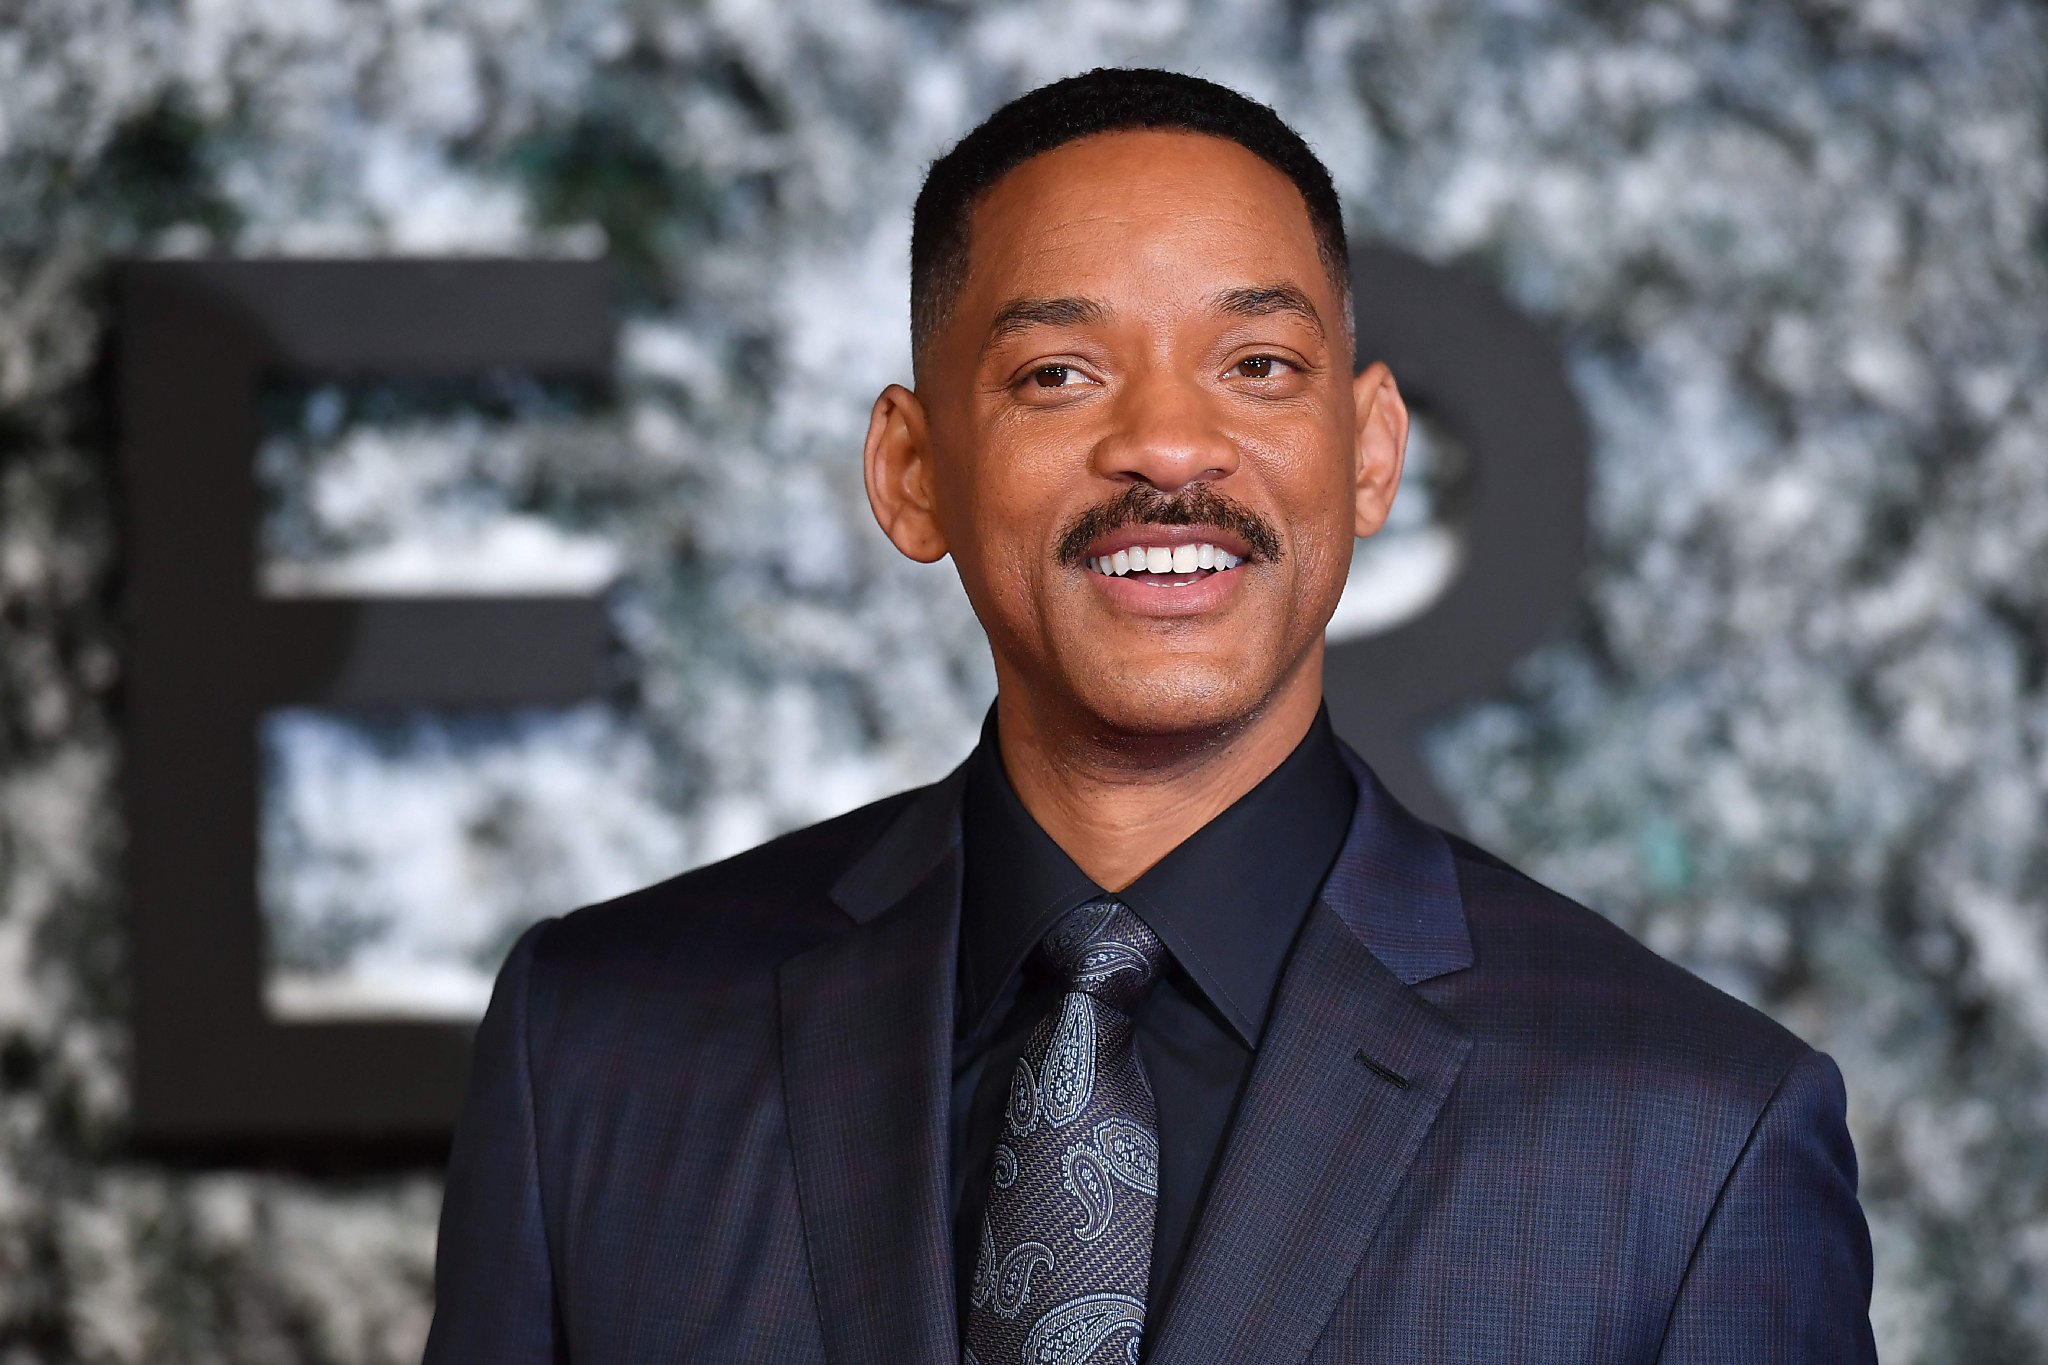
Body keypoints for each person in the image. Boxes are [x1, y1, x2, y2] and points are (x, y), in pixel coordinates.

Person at [423, 68, 1875, 1364]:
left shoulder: (1693, 1139)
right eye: (1060, 373)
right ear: (912, 471)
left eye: (1258, 367)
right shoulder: (598, 1047)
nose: (1170, 446)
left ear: (1367, 454)